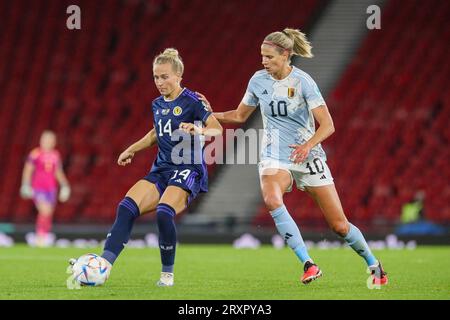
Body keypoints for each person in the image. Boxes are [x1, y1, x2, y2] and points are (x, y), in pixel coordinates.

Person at [199, 28, 388, 286]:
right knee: (271, 197)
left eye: (269, 57)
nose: (264, 61)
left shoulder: (303, 82)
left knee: (340, 226)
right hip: (274, 155)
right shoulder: (258, 80)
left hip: (308, 157)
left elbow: (328, 125)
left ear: (286, 54)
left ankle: (375, 266)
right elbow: (240, 116)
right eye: (262, 56)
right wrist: (211, 113)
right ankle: (308, 264)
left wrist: (309, 145)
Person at [73, 48, 222, 287]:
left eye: (164, 77)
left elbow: (217, 128)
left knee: (164, 211)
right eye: (156, 77)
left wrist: (199, 130)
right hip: (161, 169)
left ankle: (167, 275)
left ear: (178, 76)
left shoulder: (193, 101)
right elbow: (156, 133)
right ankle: (103, 266)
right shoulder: (157, 104)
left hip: (188, 169)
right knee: (126, 208)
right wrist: (131, 148)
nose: (159, 82)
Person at [20, 130, 71, 247]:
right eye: (45, 139)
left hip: (51, 189)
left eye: (50, 140)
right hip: (38, 188)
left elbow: (58, 172)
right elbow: (28, 169)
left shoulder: (55, 155)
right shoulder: (35, 153)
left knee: (48, 214)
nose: (47, 142)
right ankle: (40, 237)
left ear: (54, 142)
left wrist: (64, 185)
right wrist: (25, 184)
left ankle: (44, 236)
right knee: (45, 210)